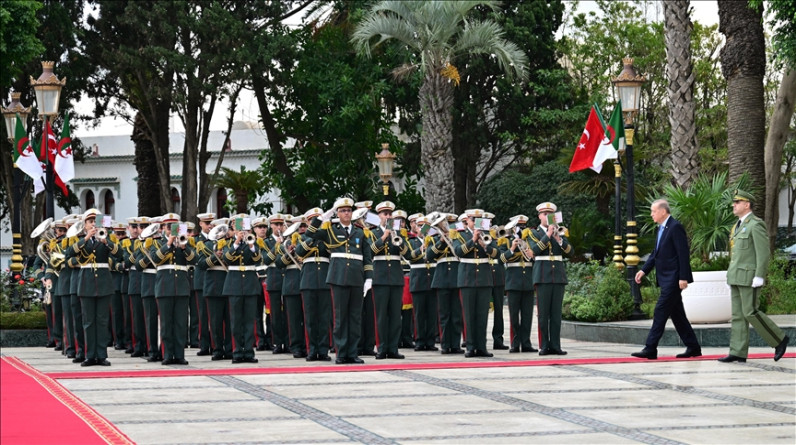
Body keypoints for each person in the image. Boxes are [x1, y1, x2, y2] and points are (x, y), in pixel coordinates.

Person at [719, 190, 789, 363]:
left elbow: (763, 253)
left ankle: (779, 339)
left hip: (750, 277)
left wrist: (759, 275)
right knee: (738, 315)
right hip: (737, 276)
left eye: (737, 202)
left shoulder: (755, 224)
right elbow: (736, 255)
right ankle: (738, 351)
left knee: (750, 312)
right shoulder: (738, 225)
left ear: (747, 204)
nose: (733, 205)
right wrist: (730, 276)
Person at [632, 199, 701, 360]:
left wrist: (683, 277)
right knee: (677, 315)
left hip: (674, 278)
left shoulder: (675, 227)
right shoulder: (661, 229)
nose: (651, 214)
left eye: (653, 211)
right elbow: (655, 253)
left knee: (660, 311)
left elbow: (683, 254)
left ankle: (650, 348)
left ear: (663, 211)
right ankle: (693, 347)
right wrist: (643, 271)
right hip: (665, 278)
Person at [308, 197, 374, 364]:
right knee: (340, 317)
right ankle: (341, 353)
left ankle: (353, 352)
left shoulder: (360, 232)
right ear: (337, 213)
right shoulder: (331, 230)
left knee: (354, 317)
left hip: (356, 277)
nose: (346, 213)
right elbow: (310, 232)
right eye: (343, 210)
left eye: (349, 210)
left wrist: (369, 279)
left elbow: (367, 258)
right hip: (338, 277)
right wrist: (325, 215)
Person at [73, 209, 119, 366]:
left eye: (95, 221)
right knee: (88, 322)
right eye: (90, 222)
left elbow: (120, 255)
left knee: (102, 321)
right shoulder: (79, 240)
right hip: (86, 283)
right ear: (85, 225)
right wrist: (86, 238)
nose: (93, 224)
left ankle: (101, 355)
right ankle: (89, 355)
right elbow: (69, 255)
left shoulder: (106, 238)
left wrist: (106, 241)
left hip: (104, 284)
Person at [453, 209, 500, 358]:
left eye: (480, 220)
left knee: (482, 315)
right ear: (467, 220)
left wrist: (485, 246)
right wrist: (473, 240)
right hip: (467, 276)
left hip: (484, 277)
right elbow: (458, 252)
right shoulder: (459, 233)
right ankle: (470, 346)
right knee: (469, 314)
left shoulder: (488, 234)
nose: (477, 223)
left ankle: (481, 347)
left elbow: (498, 253)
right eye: (474, 220)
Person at [528, 202, 573, 356]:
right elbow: (534, 251)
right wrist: (547, 235)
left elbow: (570, 251)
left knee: (555, 314)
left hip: (558, 276)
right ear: (539, 216)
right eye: (544, 214)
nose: (547, 217)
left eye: (550, 214)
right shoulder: (533, 233)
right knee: (543, 313)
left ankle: (556, 345)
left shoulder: (560, 231)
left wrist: (559, 239)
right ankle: (544, 345)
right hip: (542, 276)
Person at [369, 201, 409, 360]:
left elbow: (406, 252)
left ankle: (393, 348)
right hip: (379, 277)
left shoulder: (398, 232)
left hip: (395, 277)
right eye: (385, 214)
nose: (388, 216)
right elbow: (370, 252)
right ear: (379, 216)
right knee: (380, 315)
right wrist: (384, 236)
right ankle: (381, 348)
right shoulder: (372, 232)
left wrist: (396, 236)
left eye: (390, 214)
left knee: (395, 316)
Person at [295, 208, 333, 362]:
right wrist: (312, 236)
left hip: (324, 279)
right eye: (313, 220)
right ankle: (312, 350)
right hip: (309, 280)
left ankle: (323, 350)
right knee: (310, 319)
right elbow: (300, 251)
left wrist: (324, 234)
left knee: (324, 318)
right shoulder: (302, 237)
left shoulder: (328, 236)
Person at [223, 216, 262, 364]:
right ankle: (237, 351)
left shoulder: (254, 242)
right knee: (236, 321)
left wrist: (251, 245)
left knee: (249, 321)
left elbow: (258, 259)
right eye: (239, 228)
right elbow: (226, 258)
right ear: (233, 229)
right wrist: (237, 242)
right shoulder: (227, 242)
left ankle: (249, 351)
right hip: (234, 284)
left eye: (244, 228)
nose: (242, 231)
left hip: (250, 284)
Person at [500, 215, 538, 353]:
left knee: (527, 315)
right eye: (519, 226)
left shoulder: (530, 240)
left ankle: (526, 343)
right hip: (513, 281)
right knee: (514, 315)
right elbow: (501, 258)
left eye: (523, 226)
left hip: (528, 280)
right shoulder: (506, 241)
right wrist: (513, 248)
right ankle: (515, 343)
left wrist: (530, 252)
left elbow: (534, 258)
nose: (521, 229)